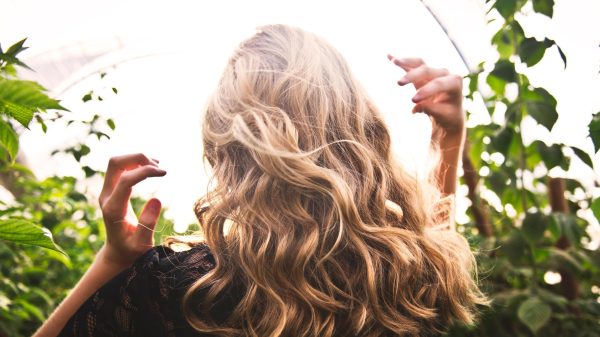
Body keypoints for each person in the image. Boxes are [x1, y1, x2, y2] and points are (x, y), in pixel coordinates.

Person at [35, 24, 486, 337]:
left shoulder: (187, 289)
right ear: (358, 126)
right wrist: (448, 138)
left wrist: (114, 260)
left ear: (226, 146)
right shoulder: (403, 270)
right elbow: (432, 241)